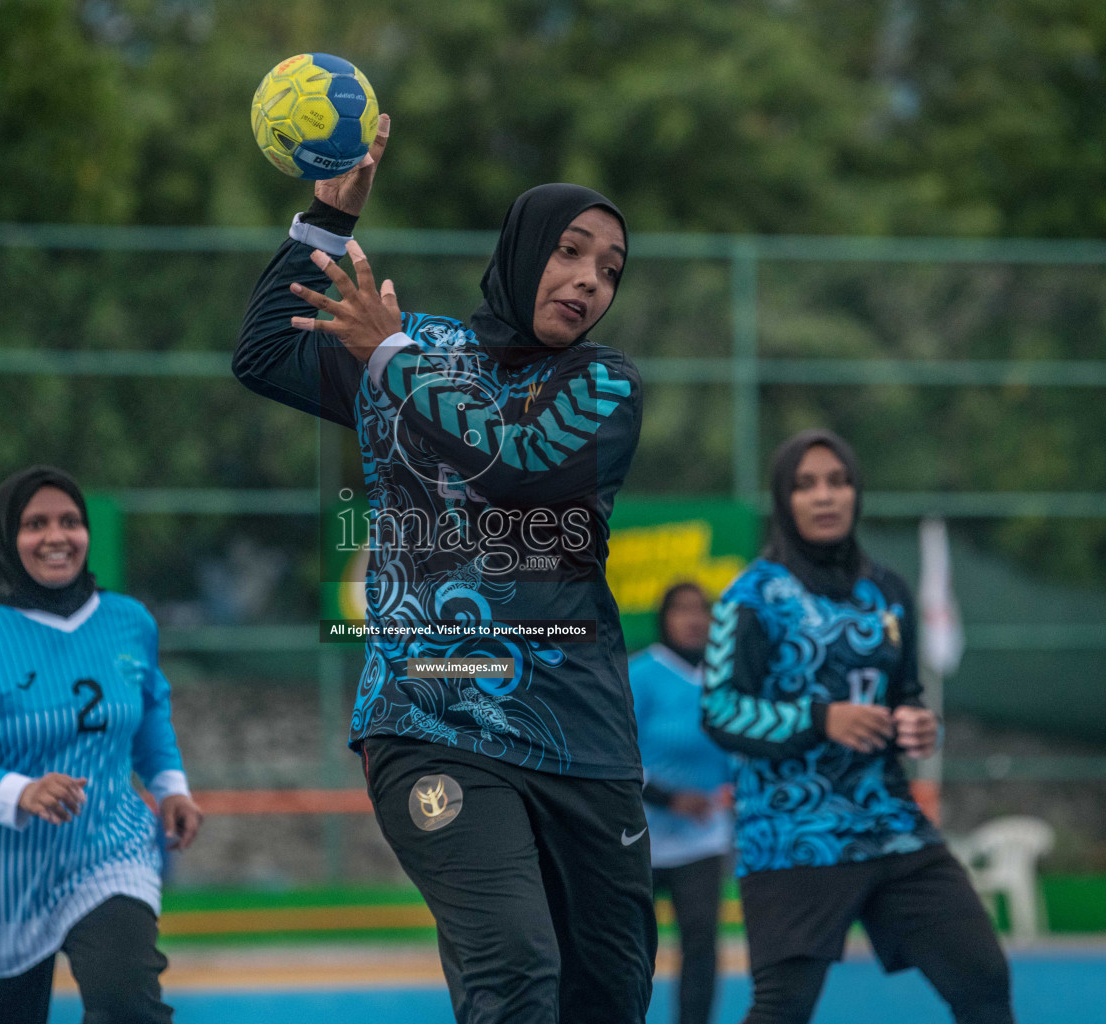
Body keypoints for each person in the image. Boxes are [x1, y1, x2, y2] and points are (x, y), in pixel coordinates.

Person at [235, 115, 656, 1024]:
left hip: (582, 741)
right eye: (571, 252)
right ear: (522, 250)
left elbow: (519, 467)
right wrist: (326, 221)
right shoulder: (418, 348)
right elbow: (265, 353)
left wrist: (390, 357)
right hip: (432, 719)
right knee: (514, 968)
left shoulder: (602, 386)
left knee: (606, 1000)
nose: (588, 279)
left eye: (610, 270)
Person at [701, 429, 1013, 1024]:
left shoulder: (888, 591)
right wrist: (822, 719)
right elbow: (719, 711)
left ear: (856, 494)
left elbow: (909, 699)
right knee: (782, 1009)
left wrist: (922, 729)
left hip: (890, 826)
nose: (825, 497)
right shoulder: (751, 597)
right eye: (807, 484)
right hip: (794, 834)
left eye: (838, 482)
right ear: (783, 500)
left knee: (984, 979)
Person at [0, 465, 202, 1024]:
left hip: (109, 851)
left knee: (130, 1008)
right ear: (9, 536)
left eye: (70, 521)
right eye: (35, 523)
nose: (56, 536)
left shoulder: (129, 621)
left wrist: (170, 786)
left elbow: (148, 712)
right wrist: (21, 791)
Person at [630, 583, 734, 1024]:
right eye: (681, 610)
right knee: (628, 948)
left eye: (701, 610)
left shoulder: (725, 676)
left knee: (701, 942)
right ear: (664, 619)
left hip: (703, 838)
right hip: (638, 837)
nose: (693, 619)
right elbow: (615, 754)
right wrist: (669, 798)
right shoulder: (640, 672)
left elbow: (742, 746)